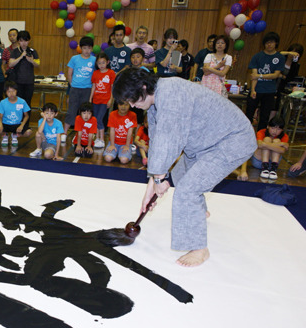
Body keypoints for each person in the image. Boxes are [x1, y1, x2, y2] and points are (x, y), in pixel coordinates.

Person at [112, 68, 257, 267]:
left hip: (232, 140)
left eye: (131, 99)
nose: (132, 105)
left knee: (187, 190)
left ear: (143, 87)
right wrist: (151, 185)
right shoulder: (156, 100)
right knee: (179, 175)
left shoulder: (171, 93)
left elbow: (170, 139)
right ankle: (197, 212)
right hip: (204, 141)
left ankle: (199, 248)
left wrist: (159, 179)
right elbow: (158, 140)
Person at [246, 32, 285, 131]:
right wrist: (253, 90)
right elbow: (253, 76)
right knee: (249, 114)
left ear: (276, 43)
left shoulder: (279, 57)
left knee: (264, 116)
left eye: (271, 42)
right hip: (257, 89)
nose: (269, 44)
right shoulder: (257, 56)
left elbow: (275, 75)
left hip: (269, 91)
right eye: (267, 42)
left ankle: (260, 136)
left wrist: (260, 75)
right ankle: (245, 134)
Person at [64, 36, 96, 139]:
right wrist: (72, 84)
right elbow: (69, 73)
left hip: (87, 89)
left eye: (89, 48)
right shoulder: (74, 58)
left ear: (92, 48)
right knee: (71, 111)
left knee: (85, 113)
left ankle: (83, 133)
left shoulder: (94, 60)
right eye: (85, 48)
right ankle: (64, 133)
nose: (87, 50)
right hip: (75, 89)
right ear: (80, 48)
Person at [8, 30, 39, 120]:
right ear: (18, 41)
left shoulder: (33, 51)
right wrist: (21, 56)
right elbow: (10, 64)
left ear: (29, 41)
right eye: (21, 41)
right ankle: (17, 122)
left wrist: (31, 61)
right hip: (18, 82)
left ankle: (26, 123)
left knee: (27, 103)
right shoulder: (15, 51)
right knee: (18, 103)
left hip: (29, 82)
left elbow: (37, 64)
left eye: (26, 40)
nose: (24, 43)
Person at [89, 52, 116, 149]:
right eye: (99, 63)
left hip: (105, 100)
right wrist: (90, 98)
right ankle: (97, 138)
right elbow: (94, 86)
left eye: (103, 63)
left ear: (108, 62)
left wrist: (110, 99)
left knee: (100, 119)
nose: (101, 65)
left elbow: (112, 87)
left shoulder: (111, 73)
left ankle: (102, 139)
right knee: (95, 119)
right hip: (96, 100)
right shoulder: (95, 73)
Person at [0, 81, 31, 147]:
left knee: (28, 132)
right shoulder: (3, 102)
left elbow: (26, 116)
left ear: (16, 91)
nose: (11, 93)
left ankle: (15, 135)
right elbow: (0, 117)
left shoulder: (22, 101)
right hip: (6, 124)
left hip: (17, 124)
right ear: (5, 92)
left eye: (13, 91)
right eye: (9, 91)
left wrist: (21, 126)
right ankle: (5, 135)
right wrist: (0, 124)